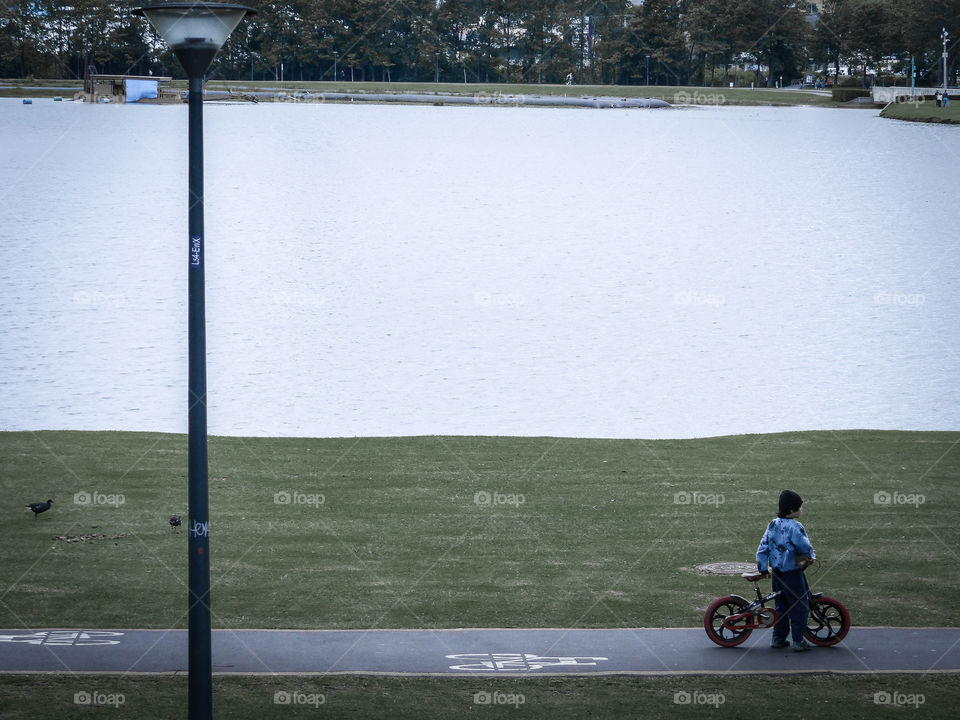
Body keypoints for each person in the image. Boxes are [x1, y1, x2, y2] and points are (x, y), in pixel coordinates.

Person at [756, 490, 816, 652]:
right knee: (800, 606)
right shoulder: (795, 527)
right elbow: (804, 546)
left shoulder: (773, 524)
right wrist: (810, 557)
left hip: (777, 573)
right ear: (791, 510)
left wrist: (762, 567)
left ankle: (778, 637)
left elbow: (763, 547)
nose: (801, 510)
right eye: (799, 507)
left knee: (780, 606)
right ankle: (798, 640)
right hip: (793, 573)